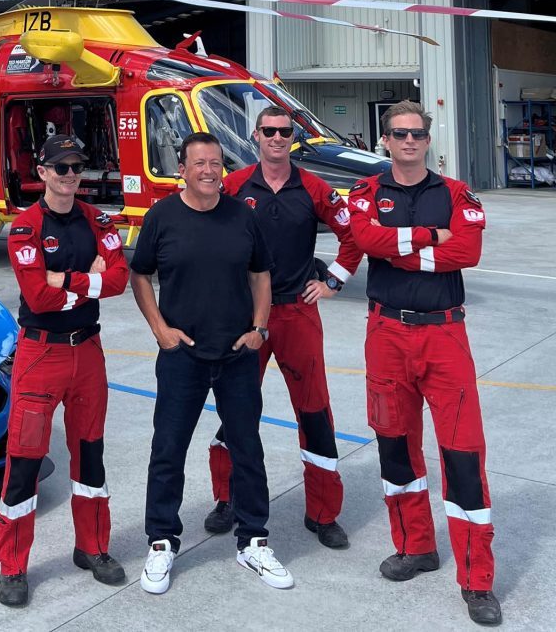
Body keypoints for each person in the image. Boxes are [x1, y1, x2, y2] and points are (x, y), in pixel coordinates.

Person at [346, 101, 500, 625]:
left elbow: (469, 253)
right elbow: (366, 240)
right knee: (394, 444)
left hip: (444, 335)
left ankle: (477, 579)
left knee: (462, 452)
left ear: (427, 140)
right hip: (386, 332)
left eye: (417, 134)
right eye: (398, 133)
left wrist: (398, 251)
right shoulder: (365, 193)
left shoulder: (457, 193)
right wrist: (434, 238)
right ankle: (417, 547)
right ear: (384, 140)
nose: (408, 141)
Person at [130, 131, 293, 594]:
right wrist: (159, 329)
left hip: (238, 355)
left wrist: (260, 328)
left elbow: (260, 272)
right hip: (182, 356)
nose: (208, 171)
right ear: (181, 168)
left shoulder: (241, 215)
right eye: (198, 163)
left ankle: (254, 542)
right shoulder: (161, 217)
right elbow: (139, 273)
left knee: (247, 449)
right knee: (168, 451)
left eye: (216, 163)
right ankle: (161, 543)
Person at [205, 106, 363, 549]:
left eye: (284, 132)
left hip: (297, 313)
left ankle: (323, 512)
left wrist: (334, 280)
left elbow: (352, 236)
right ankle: (227, 498)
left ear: (292, 137)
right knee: (235, 409)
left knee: (314, 412)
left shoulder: (313, 187)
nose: (277, 138)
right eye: (269, 131)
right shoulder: (234, 186)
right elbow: (207, 234)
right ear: (255, 136)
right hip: (245, 317)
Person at [0, 134, 129, 607]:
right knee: (25, 462)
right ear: (44, 173)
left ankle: (91, 547)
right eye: (61, 167)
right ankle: (13, 566)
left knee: (90, 456)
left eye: (77, 167)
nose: (71, 175)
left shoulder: (99, 220)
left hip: (87, 353)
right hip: (40, 355)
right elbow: (37, 297)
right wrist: (89, 281)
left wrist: (66, 283)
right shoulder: (25, 228)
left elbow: (120, 279)